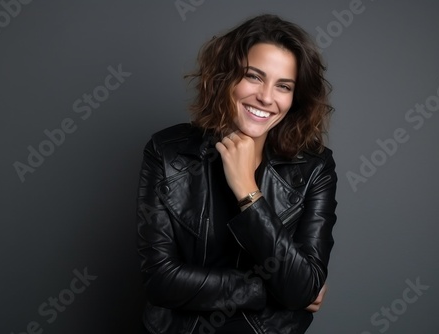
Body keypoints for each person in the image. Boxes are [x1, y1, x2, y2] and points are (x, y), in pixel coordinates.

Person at [136, 14, 337, 334]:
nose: (267, 97)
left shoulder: (315, 167)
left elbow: (303, 287)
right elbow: (160, 281)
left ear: (294, 97)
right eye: (254, 77)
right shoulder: (167, 152)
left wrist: (246, 189)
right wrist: (271, 289)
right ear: (225, 76)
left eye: (283, 86)